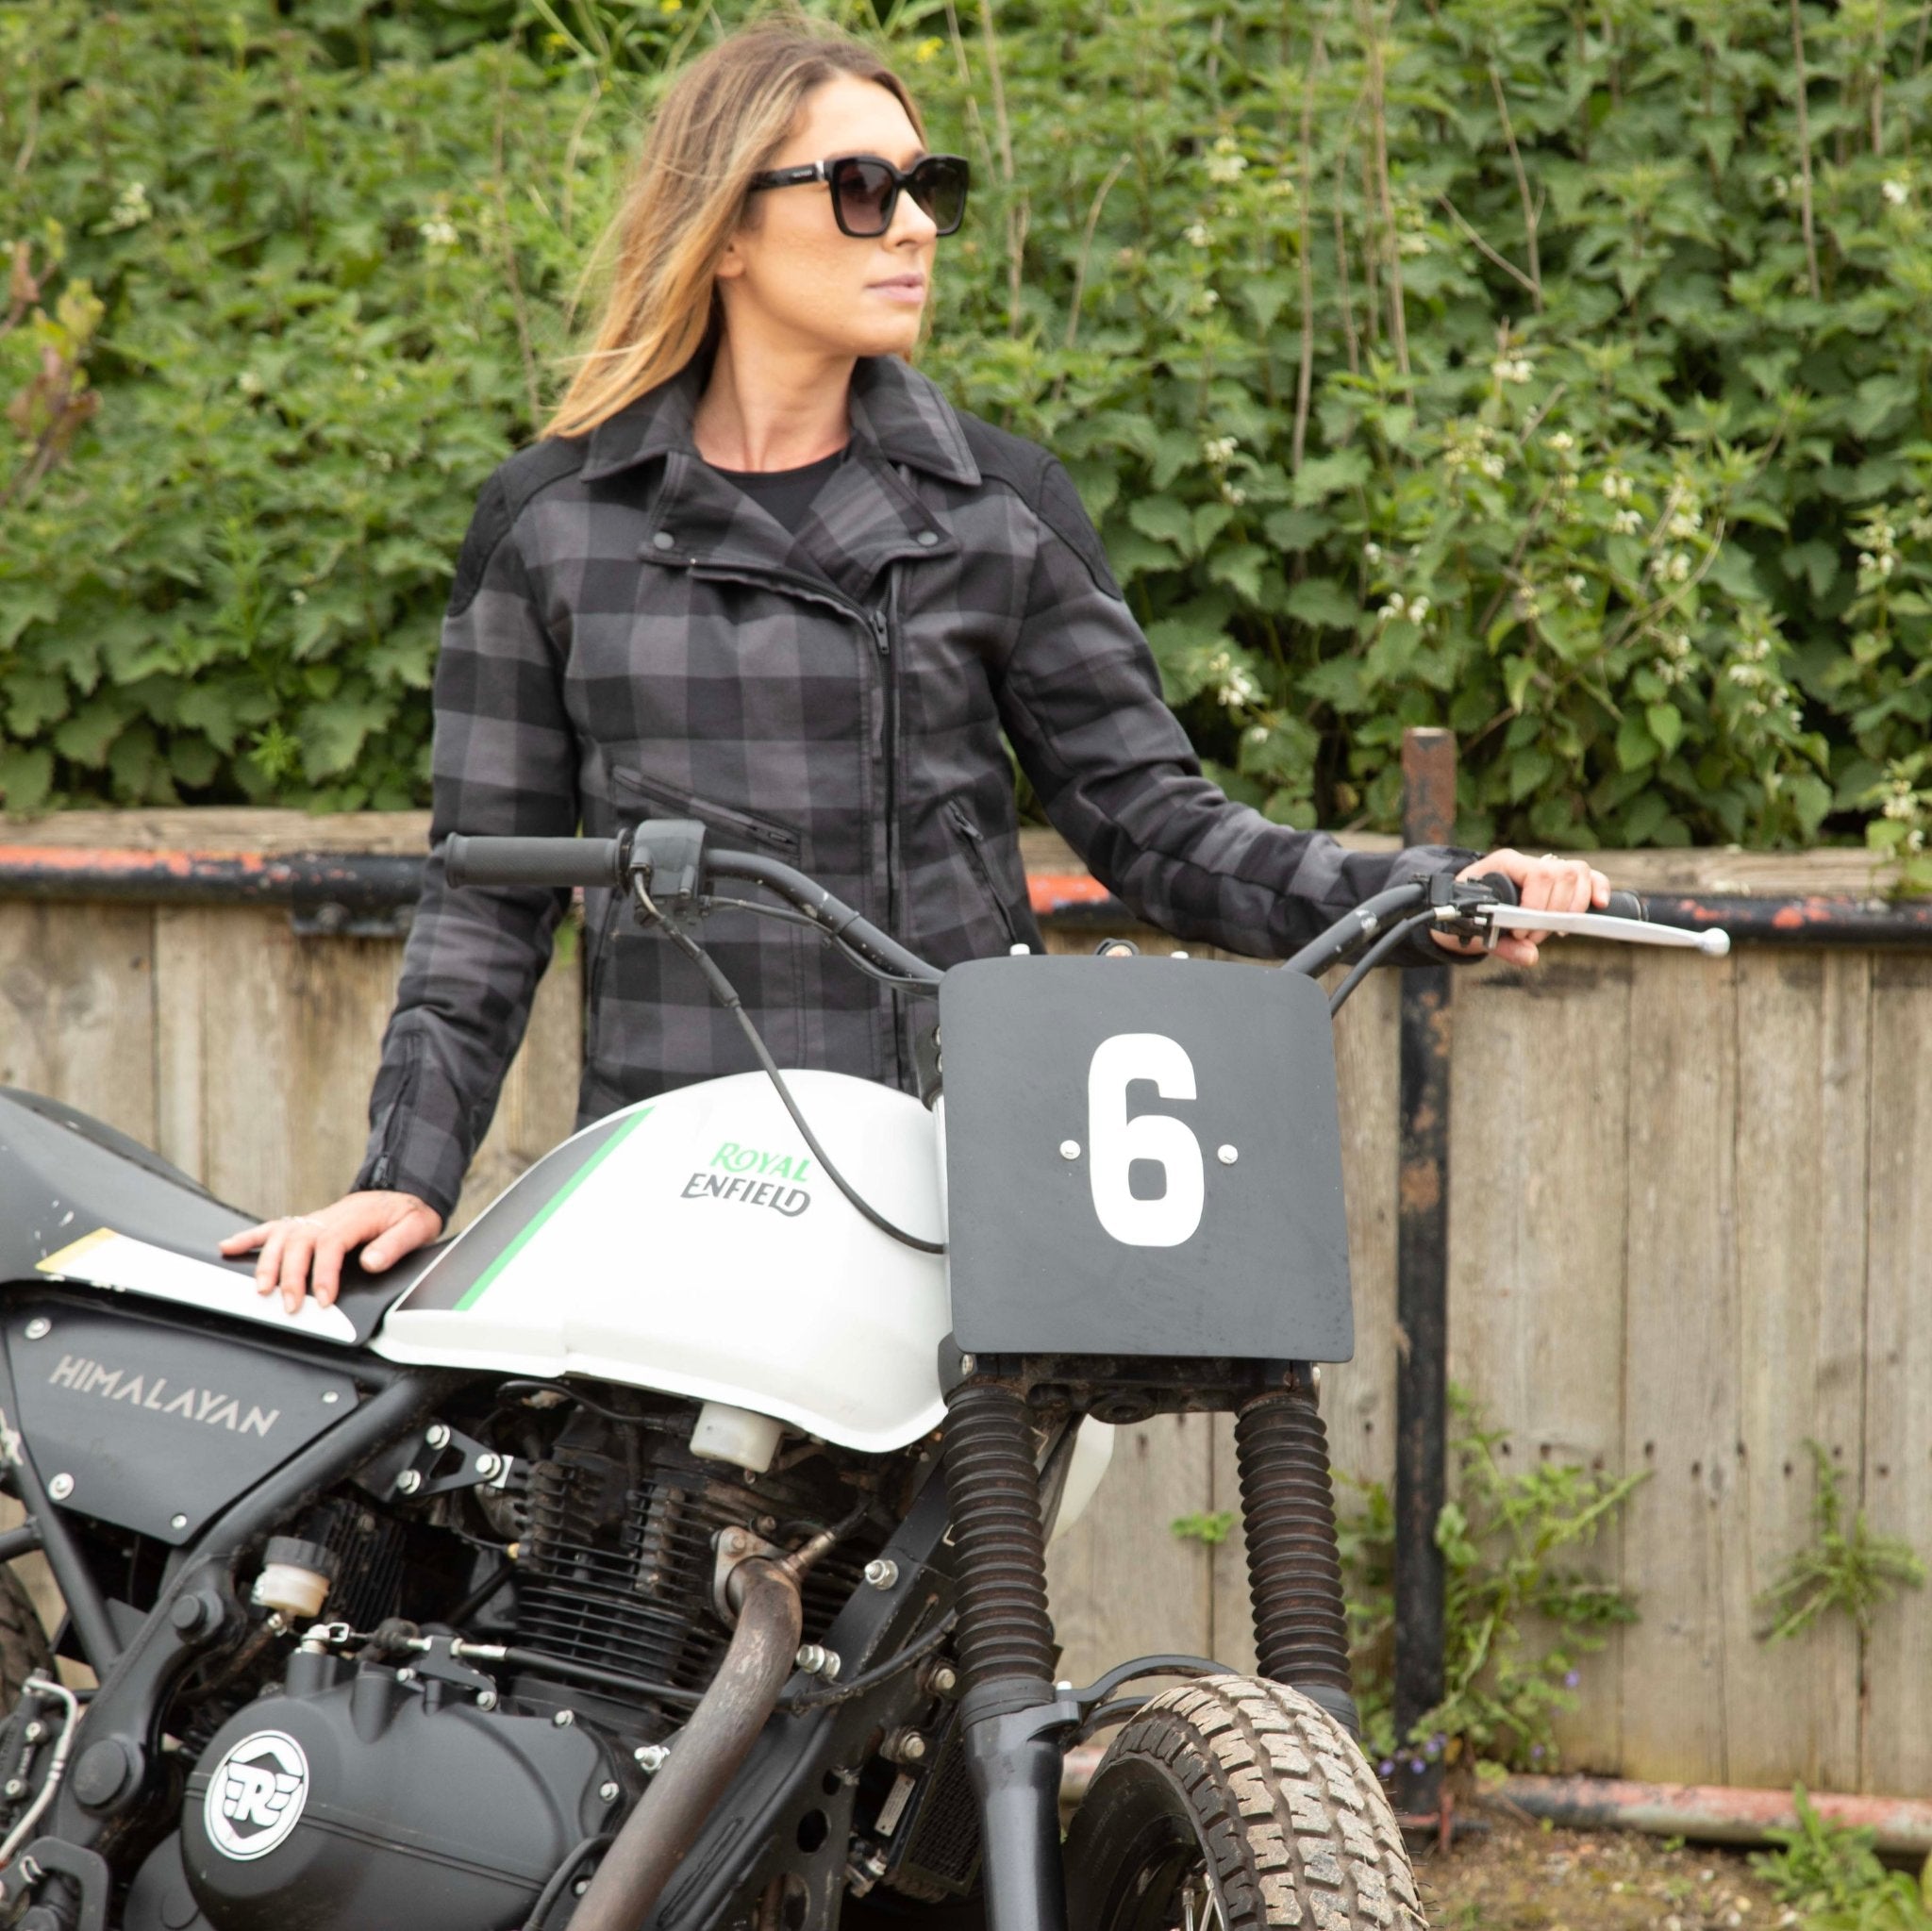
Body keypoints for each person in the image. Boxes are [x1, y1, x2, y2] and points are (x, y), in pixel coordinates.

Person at [224, 19, 1607, 1313]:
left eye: (926, 184)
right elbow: (485, 899)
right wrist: (402, 1176)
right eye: (865, 189)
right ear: (725, 233)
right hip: (674, 1192)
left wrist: (1430, 895)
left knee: (953, 1580)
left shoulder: (996, 511)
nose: (921, 227)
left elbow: (1157, 830)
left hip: (960, 1192)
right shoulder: (552, 529)